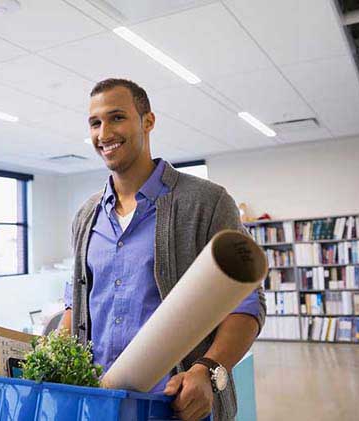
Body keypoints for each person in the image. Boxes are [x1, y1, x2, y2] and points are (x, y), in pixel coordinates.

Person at [59, 78, 266, 421]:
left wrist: (207, 370)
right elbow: (77, 302)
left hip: (175, 407)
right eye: (95, 123)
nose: (104, 132)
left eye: (116, 117)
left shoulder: (206, 202)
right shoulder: (85, 216)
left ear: (148, 121)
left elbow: (247, 301)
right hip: (100, 404)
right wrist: (48, 362)